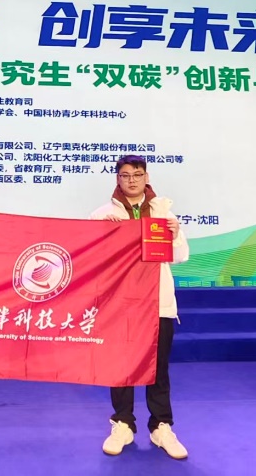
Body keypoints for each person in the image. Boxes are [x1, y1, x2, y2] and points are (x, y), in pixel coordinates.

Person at [89, 154, 190, 460]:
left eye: (137, 174)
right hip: (120, 305)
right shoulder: (103, 215)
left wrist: (174, 234)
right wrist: (102, 235)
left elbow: (181, 256)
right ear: (117, 179)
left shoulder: (163, 213)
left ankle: (161, 426)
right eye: (125, 175)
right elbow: (92, 260)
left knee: (158, 368)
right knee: (120, 367)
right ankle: (122, 424)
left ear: (147, 178)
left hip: (157, 304)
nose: (131, 180)